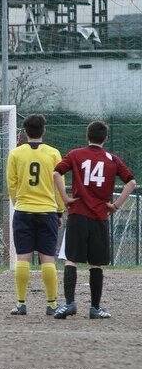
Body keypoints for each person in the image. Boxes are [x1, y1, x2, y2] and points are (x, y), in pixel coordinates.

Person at [53, 121, 136, 319]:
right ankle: (95, 308)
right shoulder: (112, 159)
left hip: (78, 215)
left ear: (87, 136)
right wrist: (115, 205)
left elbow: (56, 172)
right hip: (99, 217)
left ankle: (70, 304)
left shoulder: (75, 154)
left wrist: (65, 198)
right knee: (96, 264)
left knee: (71, 260)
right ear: (105, 138)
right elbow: (131, 182)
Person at [5, 114, 64, 316]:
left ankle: (21, 303)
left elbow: (11, 184)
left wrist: (17, 203)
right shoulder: (54, 154)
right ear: (43, 131)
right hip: (47, 210)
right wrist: (59, 210)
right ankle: (52, 304)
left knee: (23, 258)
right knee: (48, 259)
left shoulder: (15, 154)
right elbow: (59, 185)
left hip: (23, 211)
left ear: (24, 131)